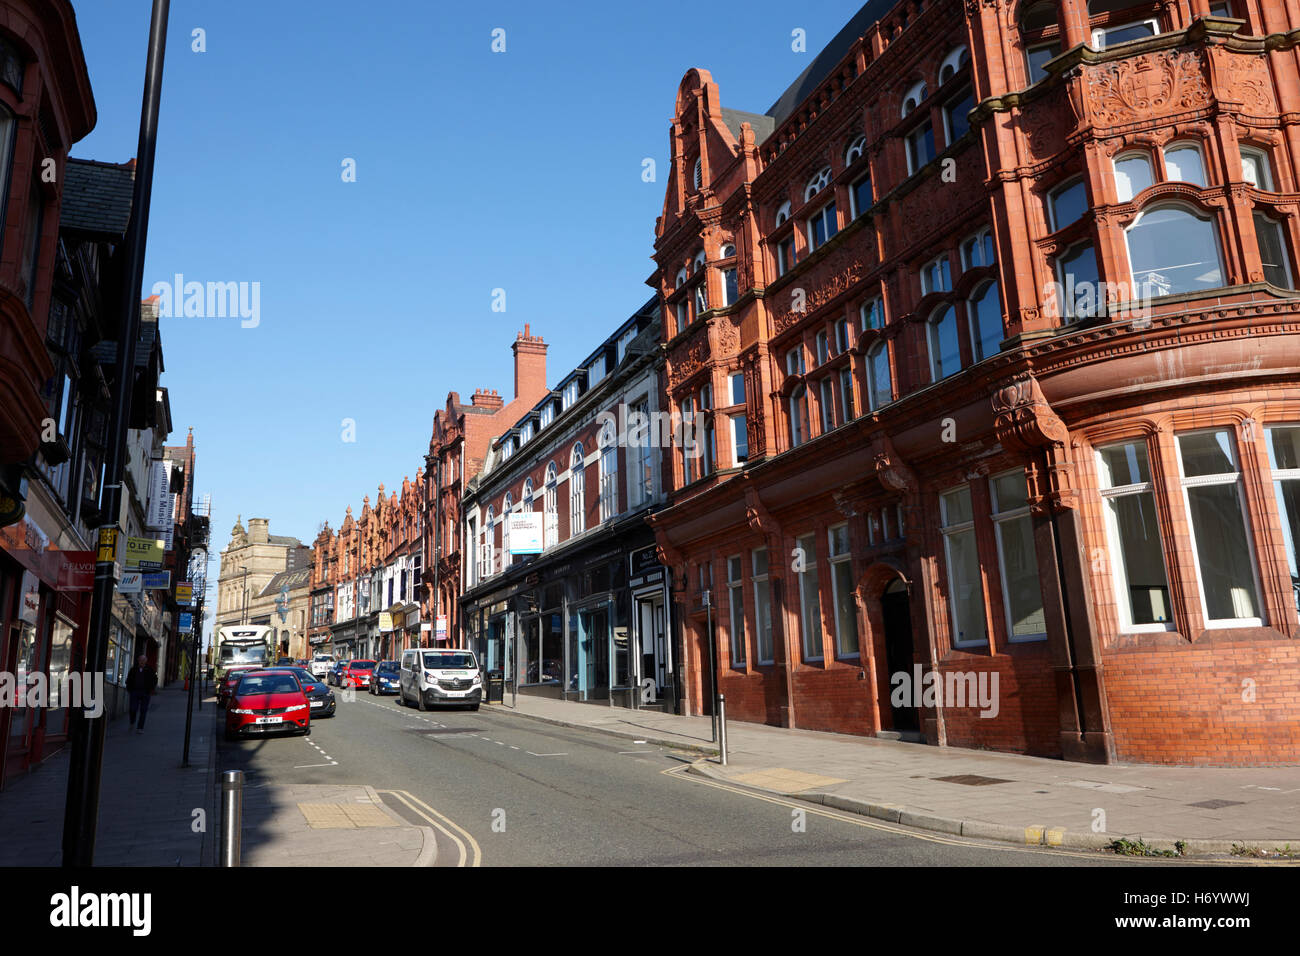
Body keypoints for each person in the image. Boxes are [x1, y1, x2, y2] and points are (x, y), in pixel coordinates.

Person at [126, 655, 158, 734]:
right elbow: (129, 679)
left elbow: (155, 679)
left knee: (143, 710)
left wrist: (151, 689)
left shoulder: (150, 670)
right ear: (138, 661)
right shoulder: (133, 669)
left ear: (146, 661)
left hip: (145, 692)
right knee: (132, 709)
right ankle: (132, 722)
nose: (142, 662)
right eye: (141, 660)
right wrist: (129, 689)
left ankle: (140, 728)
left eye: (143, 660)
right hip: (134, 692)